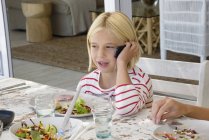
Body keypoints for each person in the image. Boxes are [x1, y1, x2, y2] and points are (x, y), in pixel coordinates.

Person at [76, 12, 153, 116]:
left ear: (128, 47)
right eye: (94, 46)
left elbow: (126, 108)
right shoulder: (86, 84)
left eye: (109, 47)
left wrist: (121, 63)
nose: (100, 54)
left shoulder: (139, 80)